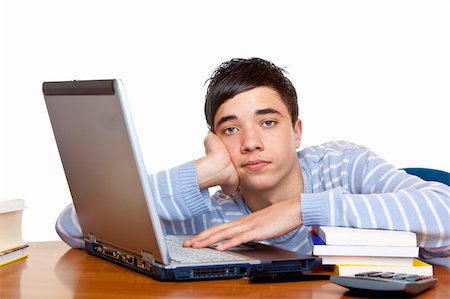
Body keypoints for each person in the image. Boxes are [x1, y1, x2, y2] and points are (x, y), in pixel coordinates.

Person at [56, 57, 450, 263]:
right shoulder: (213, 217)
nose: (250, 142)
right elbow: (74, 225)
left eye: (267, 122)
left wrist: (300, 209)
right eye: (230, 130)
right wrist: (200, 173)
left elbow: (444, 211)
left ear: (296, 131)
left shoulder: (342, 165)